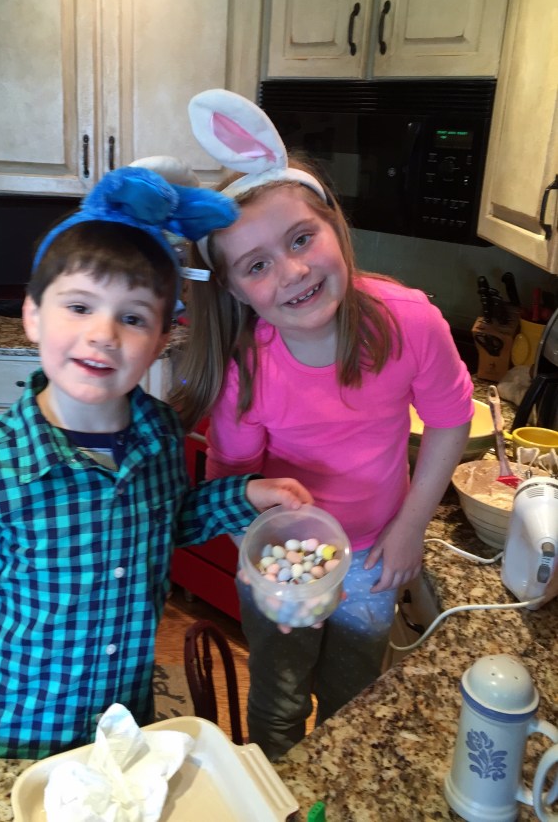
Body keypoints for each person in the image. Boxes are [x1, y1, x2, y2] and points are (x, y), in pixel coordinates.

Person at [0, 164, 313, 759]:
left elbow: (163, 522)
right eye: (80, 306)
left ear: (159, 341)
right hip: (9, 741)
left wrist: (243, 496)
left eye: (132, 318)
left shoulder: (160, 435)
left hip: (119, 733)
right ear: (33, 316)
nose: (104, 334)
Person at [170, 90, 474, 760]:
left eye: (302, 238)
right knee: (278, 701)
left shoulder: (410, 321)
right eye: (257, 265)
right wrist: (262, 565)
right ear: (233, 288)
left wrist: (411, 526)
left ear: (333, 224)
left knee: (353, 700)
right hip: (284, 563)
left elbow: (452, 419)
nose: (294, 271)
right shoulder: (247, 370)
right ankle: (280, 792)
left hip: (374, 557)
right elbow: (231, 480)